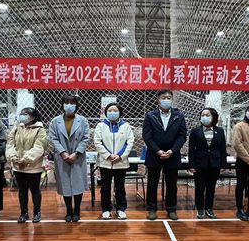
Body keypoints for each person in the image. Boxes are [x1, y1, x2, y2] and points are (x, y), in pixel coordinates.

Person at [142, 89, 187, 221]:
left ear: (172, 99)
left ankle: (171, 209)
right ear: (158, 100)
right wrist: (157, 150)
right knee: (152, 184)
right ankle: (151, 209)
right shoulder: (150, 115)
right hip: (154, 155)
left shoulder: (179, 116)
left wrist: (172, 150)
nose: (166, 100)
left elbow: (182, 136)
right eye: (163, 97)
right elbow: (147, 136)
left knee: (172, 184)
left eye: (168, 97)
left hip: (172, 155)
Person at [49, 95, 90, 223]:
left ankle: (77, 210)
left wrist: (76, 153)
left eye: (72, 103)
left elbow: (86, 138)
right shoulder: (55, 121)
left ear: (77, 105)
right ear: (62, 105)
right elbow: (53, 138)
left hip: (78, 157)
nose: (69, 105)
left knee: (78, 184)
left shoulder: (83, 120)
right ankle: (68, 211)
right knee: (65, 184)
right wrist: (63, 153)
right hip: (62, 157)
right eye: (66, 103)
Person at [6, 107, 47, 224]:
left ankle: (37, 212)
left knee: (35, 190)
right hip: (18, 165)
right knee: (22, 190)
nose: (22, 116)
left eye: (26, 114)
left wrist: (25, 159)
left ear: (33, 117)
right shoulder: (16, 127)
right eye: (22, 113)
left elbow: (39, 147)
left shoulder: (40, 130)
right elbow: (10, 143)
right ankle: (23, 212)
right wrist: (13, 157)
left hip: (33, 165)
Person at [94, 103, 134, 220]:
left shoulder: (126, 126)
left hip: (120, 162)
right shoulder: (101, 126)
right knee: (105, 187)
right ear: (106, 112)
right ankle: (106, 209)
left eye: (115, 110)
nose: (112, 112)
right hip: (105, 162)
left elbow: (129, 142)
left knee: (120, 187)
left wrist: (120, 155)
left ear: (120, 112)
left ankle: (121, 209)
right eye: (110, 110)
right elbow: (97, 142)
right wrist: (108, 155)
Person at [188, 107, 227, 219]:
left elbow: (222, 148)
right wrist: (191, 165)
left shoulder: (220, 131)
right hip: (200, 163)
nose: (204, 117)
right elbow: (191, 149)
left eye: (207, 115)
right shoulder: (195, 131)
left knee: (211, 188)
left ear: (213, 117)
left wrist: (223, 164)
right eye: (202, 115)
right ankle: (200, 209)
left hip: (215, 164)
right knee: (199, 188)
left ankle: (209, 208)